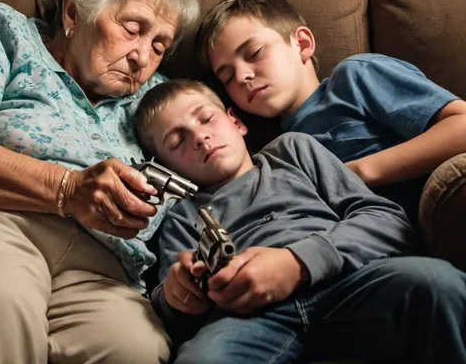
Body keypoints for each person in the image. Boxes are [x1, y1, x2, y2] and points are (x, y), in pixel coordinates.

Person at [0, 0, 200, 364]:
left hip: (101, 265)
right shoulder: (3, 32)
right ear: (73, 11)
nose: (142, 56)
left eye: (159, 45)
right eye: (132, 28)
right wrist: (66, 187)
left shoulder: (159, 99)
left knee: (137, 347)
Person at [135, 78, 466, 364]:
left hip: (347, 284)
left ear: (236, 122)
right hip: (249, 320)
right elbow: (170, 309)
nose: (199, 137)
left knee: (436, 282)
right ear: (171, 168)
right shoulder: (181, 215)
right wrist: (179, 295)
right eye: (177, 142)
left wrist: (299, 261)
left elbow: (389, 222)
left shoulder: (293, 150)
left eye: (206, 118)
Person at [194, 0, 466, 225]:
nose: (242, 77)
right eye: (227, 76)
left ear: (301, 44)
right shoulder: (268, 153)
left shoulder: (355, 78)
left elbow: (461, 125)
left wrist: (356, 173)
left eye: (254, 53)